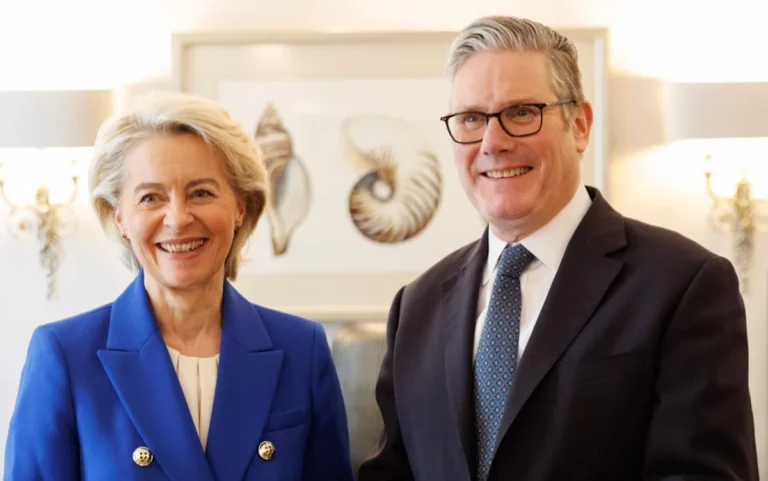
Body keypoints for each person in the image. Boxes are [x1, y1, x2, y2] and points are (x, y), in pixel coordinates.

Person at [357, 15, 759, 481]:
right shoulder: (416, 306)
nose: (493, 142)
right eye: (471, 118)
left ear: (581, 125)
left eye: (522, 112)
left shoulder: (683, 284)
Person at [4, 91, 354, 481]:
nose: (177, 218)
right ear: (119, 216)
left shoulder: (301, 349)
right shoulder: (65, 356)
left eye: (201, 193)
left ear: (240, 206)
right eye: (151, 197)